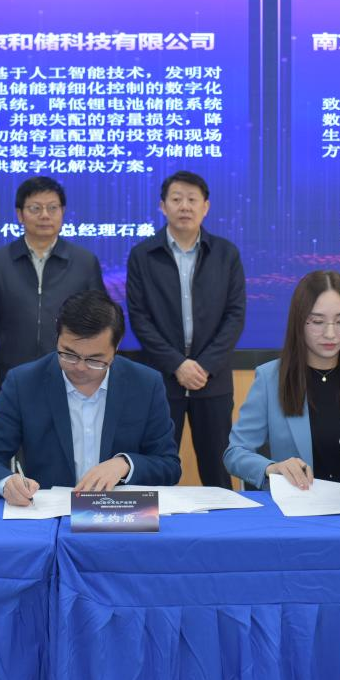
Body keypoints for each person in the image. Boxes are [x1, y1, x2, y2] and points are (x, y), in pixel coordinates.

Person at [0, 290, 181, 504]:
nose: (80, 367)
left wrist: (125, 464)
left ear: (116, 346)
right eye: (69, 354)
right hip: (50, 515)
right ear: (57, 336)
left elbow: (169, 466)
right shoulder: (23, 383)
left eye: (95, 359)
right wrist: (6, 483)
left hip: (118, 513)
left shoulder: (145, 384)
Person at [224, 270, 340, 490]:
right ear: (299, 322)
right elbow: (235, 453)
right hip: (299, 504)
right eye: (318, 321)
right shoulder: (269, 379)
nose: (330, 334)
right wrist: (272, 468)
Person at [126, 170, 246, 488]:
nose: (184, 206)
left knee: (218, 469)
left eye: (192, 199)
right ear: (162, 206)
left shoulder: (225, 254)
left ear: (205, 207)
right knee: (155, 469)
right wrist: (177, 364)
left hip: (213, 380)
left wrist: (203, 365)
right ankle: (154, 523)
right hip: (161, 381)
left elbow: (235, 315)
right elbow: (139, 318)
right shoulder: (143, 255)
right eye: (176, 199)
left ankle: (223, 520)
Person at [0, 176, 104, 413]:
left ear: (63, 212)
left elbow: (99, 329)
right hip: (14, 380)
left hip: (73, 382)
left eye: (52, 208)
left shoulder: (84, 262)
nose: (45, 215)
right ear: (20, 214)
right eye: (35, 208)